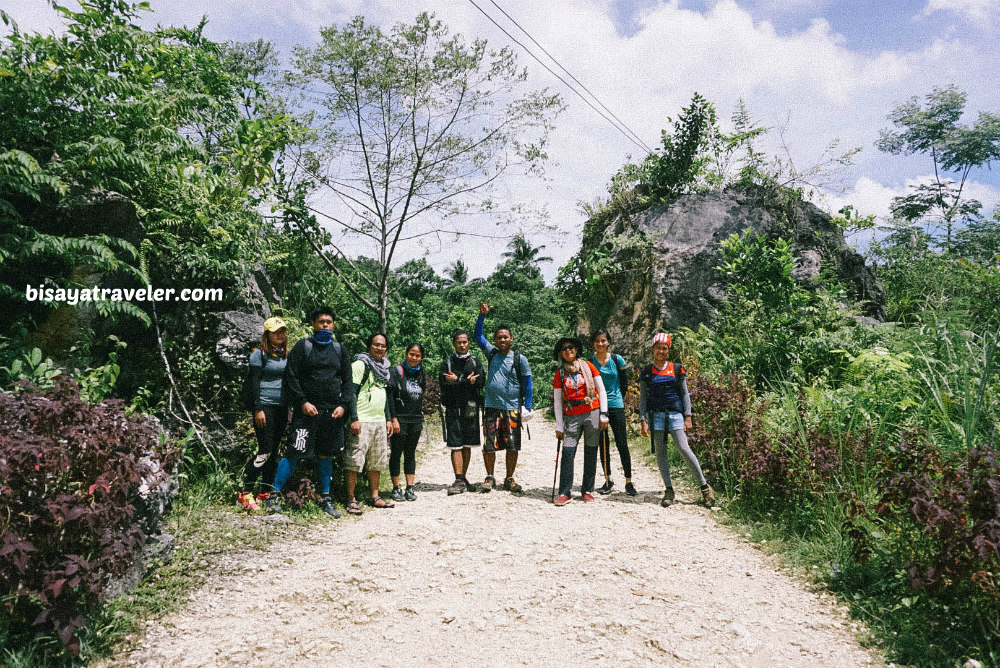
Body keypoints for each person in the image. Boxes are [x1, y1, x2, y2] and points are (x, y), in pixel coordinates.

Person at [267, 307, 355, 518]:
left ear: (333, 325)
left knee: (326, 455)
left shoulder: (339, 349)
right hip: (306, 414)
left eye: (329, 322)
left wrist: (343, 406)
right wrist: (303, 402)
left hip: (331, 415)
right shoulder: (303, 347)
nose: (325, 325)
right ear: (314, 324)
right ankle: (274, 495)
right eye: (321, 321)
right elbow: (291, 377)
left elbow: (348, 381)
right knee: (294, 453)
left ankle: (326, 497)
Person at [638, 333, 715, 508]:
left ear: (668, 350)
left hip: (675, 415)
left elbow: (684, 394)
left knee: (684, 448)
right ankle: (669, 490)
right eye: (658, 347)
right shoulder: (647, 372)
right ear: (652, 349)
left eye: (664, 348)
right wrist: (643, 420)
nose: (661, 351)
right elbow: (643, 398)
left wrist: (688, 416)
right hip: (656, 416)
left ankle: (705, 488)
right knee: (661, 453)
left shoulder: (677, 369)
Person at [473, 302, 533, 494]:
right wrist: (482, 315)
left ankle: (509, 478)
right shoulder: (491, 353)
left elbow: (528, 383)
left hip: (513, 407)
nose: (502, 340)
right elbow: (477, 336)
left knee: (512, 445)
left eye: (505, 337)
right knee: (489, 444)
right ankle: (490, 477)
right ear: (495, 340)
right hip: (491, 406)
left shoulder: (519, 359)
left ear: (511, 338)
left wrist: (528, 406)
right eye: (499, 337)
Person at [238, 317, 290, 511]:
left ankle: (264, 491)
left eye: (283, 331)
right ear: (267, 334)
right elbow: (254, 383)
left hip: (281, 407)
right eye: (276, 332)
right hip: (264, 406)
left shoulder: (284, 355)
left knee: (274, 450)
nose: (280, 335)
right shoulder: (259, 354)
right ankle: (244, 493)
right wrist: (258, 408)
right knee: (265, 449)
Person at [552, 337, 609, 506]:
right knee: (568, 452)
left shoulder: (588, 366)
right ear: (560, 353)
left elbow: (601, 390)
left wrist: (604, 414)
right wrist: (559, 425)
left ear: (577, 349)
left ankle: (587, 490)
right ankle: (565, 492)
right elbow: (557, 401)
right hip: (571, 415)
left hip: (592, 411)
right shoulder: (560, 373)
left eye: (571, 347)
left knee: (591, 451)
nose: (568, 350)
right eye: (564, 349)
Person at [344, 333, 395, 514]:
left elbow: (386, 395)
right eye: (376, 345)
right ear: (369, 346)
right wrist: (354, 418)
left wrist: (388, 419)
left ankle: (375, 496)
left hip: (379, 421)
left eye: (383, 346)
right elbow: (350, 393)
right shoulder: (360, 365)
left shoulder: (384, 368)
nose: (379, 348)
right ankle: (351, 498)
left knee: (377, 461)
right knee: (354, 461)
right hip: (362, 421)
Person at [590, 329, 637, 496]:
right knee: (603, 444)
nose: (600, 344)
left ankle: (629, 481)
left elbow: (624, 383)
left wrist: (617, 399)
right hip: (598, 406)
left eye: (603, 340)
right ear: (593, 343)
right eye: (597, 341)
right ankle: (608, 479)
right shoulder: (590, 363)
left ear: (608, 342)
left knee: (622, 443)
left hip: (616, 405)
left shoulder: (617, 360)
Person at [440, 329, 485, 495]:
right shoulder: (447, 362)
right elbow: (444, 384)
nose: (462, 344)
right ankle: (458, 478)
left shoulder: (475, 361)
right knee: (455, 444)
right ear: (454, 343)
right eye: (459, 342)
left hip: (471, 408)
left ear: (469, 343)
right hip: (453, 408)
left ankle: (463, 477)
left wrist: (458, 380)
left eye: (465, 342)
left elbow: (481, 382)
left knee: (468, 444)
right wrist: (467, 381)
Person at [388, 343, 426, 502]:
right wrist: (393, 418)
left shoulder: (421, 374)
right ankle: (396, 488)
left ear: (421, 358)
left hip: (415, 419)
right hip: (400, 419)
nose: (414, 358)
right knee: (396, 453)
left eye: (417, 355)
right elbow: (389, 396)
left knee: (410, 453)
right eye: (411, 354)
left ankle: (410, 488)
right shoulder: (397, 372)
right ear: (406, 354)